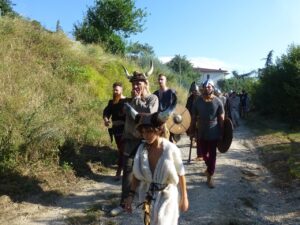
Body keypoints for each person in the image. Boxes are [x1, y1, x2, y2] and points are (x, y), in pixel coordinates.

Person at [124, 111, 189, 225]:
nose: (146, 135)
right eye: (143, 132)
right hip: (148, 195)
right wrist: (130, 195)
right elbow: (136, 174)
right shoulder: (141, 149)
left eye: (149, 131)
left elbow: (181, 173)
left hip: (167, 195)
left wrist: (184, 197)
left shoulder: (170, 149)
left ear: (158, 130)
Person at [110, 67, 159, 216]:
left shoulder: (153, 99)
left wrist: (136, 101)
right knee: (128, 172)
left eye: (139, 83)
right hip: (131, 141)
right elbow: (122, 111)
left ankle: (152, 202)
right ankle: (124, 203)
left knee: (150, 172)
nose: (135, 86)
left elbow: (148, 115)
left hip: (147, 142)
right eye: (133, 84)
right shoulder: (129, 100)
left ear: (145, 83)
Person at [190, 79, 224, 188]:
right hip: (201, 130)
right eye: (206, 86)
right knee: (204, 154)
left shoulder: (218, 101)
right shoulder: (198, 101)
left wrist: (222, 131)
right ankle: (209, 167)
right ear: (203, 88)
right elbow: (193, 117)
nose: (208, 87)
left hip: (214, 130)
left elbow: (221, 118)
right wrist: (191, 129)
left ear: (213, 88)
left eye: (210, 86)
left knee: (212, 153)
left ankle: (210, 176)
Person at [103, 82, 127, 179]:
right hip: (116, 130)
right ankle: (122, 170)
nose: (115, 91)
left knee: (123, 150)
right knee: (121, 149)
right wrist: (106, 119)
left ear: (121, 90)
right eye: (114, 90)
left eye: (117, 90)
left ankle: (120, 170)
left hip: (126, 129)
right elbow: (106, 112)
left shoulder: (127, 101)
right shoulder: (111, 102)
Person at [153, 73, 177, 142]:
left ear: (165, 81)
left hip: (168, 120)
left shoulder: (171, 92)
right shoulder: (155, 93)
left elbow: (174, 106)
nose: (160, 81)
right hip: (157, 121)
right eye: (159, 79)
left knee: (169, 142)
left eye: (162, 79)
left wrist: (167, 115)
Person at [185, 81, 202, 161]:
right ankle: (193, 141)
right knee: (191, 133)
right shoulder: (190, 98)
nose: (194, 92)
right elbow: (187, 108)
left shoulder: (201, 98)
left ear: (198, 90)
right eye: (193, 91)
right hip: (191, 118)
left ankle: (200, 155)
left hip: (200, 120)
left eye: (195, 91)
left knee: (199, 137)